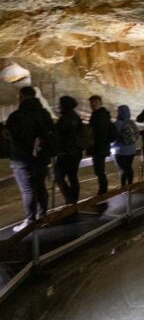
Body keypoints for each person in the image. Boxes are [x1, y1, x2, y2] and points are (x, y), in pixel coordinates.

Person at [6, 86, 55, 232]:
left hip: (22, 159)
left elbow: (9, 136)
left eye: (19, 96)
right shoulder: (44, 114)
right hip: (41, 158)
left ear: (23, 97)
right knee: (40, 187)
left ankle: (30, 220)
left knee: (27, 190)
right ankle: (43, 216)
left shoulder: (17, 116)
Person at [54, 96, 83, 205]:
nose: (59, 106)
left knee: (59, 176)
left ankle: (70, 199)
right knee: (72, 176)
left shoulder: (67, 118)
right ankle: (72, 200)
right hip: (75, 152)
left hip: (67, 153)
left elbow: (63, 136)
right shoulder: (75, 116)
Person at [88, 95, 114, 195]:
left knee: (99, 170)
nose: (93, 104)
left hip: (99, 147)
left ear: (100, 103)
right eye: (92, 102)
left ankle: (103, 192)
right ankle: (103, 191)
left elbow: (99, 132)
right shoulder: (98, 114)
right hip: (99, 146)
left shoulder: (100, 115)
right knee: (99, 170)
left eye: (95, 102)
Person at [113, 105, 139, 187]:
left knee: (123, 169)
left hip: (120, 151)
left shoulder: (117, 123)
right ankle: (130, 185)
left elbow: (113, 137)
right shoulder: (131, 122)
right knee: (129, 167)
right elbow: (136, 134)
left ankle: (123, 187)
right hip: (131, 150)